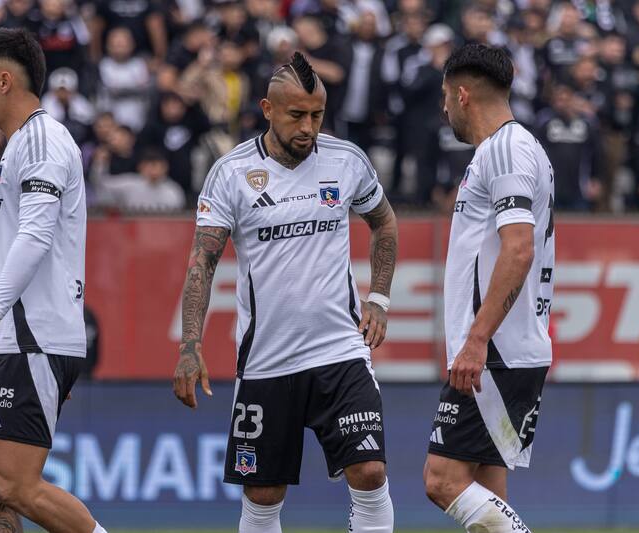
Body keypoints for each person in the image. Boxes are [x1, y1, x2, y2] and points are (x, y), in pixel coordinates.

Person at [173, 52, 398, 533]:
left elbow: (384, 222)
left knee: (371, 472)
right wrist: (190, 345)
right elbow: (201, 264)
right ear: (267, 109)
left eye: (317, 115)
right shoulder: (231, 174)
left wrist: (379, 298)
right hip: (267, 362)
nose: (308, 127)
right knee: (262, 496)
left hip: (340, 351)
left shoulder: (346, 160)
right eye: (297, 115)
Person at [0, 28, 106, 533]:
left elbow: (37, 236)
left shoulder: (44, 139)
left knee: (16, 485)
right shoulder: (19, 144)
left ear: (4, 81)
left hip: (33, 336)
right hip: (6, 340)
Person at [423, 44, 555, 533]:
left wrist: (476, 339)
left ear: (462, 94)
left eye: (444, 96)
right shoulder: (520, 148)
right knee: (490, 495)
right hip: (506, 350)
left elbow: (517, 249)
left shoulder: (504, 150)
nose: (443, 108)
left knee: (441, 480)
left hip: (495, 352)